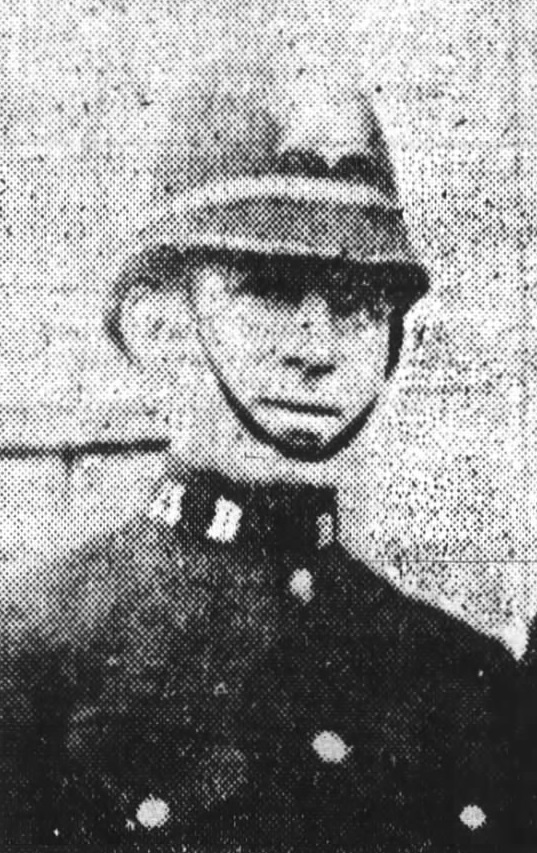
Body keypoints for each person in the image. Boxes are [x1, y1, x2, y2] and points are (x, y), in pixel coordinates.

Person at [0, 67, 525, 852]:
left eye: (356, 303)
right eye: (271, 288)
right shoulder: (33, 656)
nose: (317, 349)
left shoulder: (463, 680)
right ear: (159, 326)